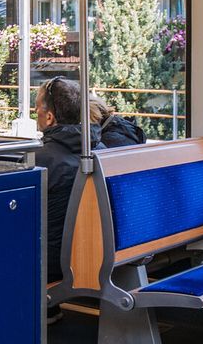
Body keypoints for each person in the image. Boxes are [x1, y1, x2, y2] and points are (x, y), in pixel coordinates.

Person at [38, 77, 145, 297]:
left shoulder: (41, 160)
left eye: (37, 108)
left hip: (52, 262)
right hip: (95, 252)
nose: (35, 113)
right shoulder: (103, 149)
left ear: (49, 118)